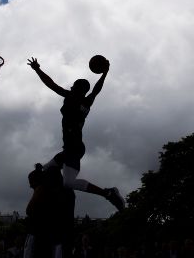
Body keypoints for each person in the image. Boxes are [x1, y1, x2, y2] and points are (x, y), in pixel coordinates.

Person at [28, 57, 125, 211]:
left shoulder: (78, 100)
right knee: (42, 172)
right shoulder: (78, 99)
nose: (71, 88)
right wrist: (38, 69)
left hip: (74, 148)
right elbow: (53, 84)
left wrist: (104, 74)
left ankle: (108, 193)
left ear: (78, 89)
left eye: (74, 86)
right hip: (69, 149)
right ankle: (52, 199)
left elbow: (53, 84)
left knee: (68, 183)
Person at [23, 164, 76, 258]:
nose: (30, 186)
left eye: (31, 183)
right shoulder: (64, 192)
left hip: (44, 238)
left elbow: (29, 210)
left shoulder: (42, 191)